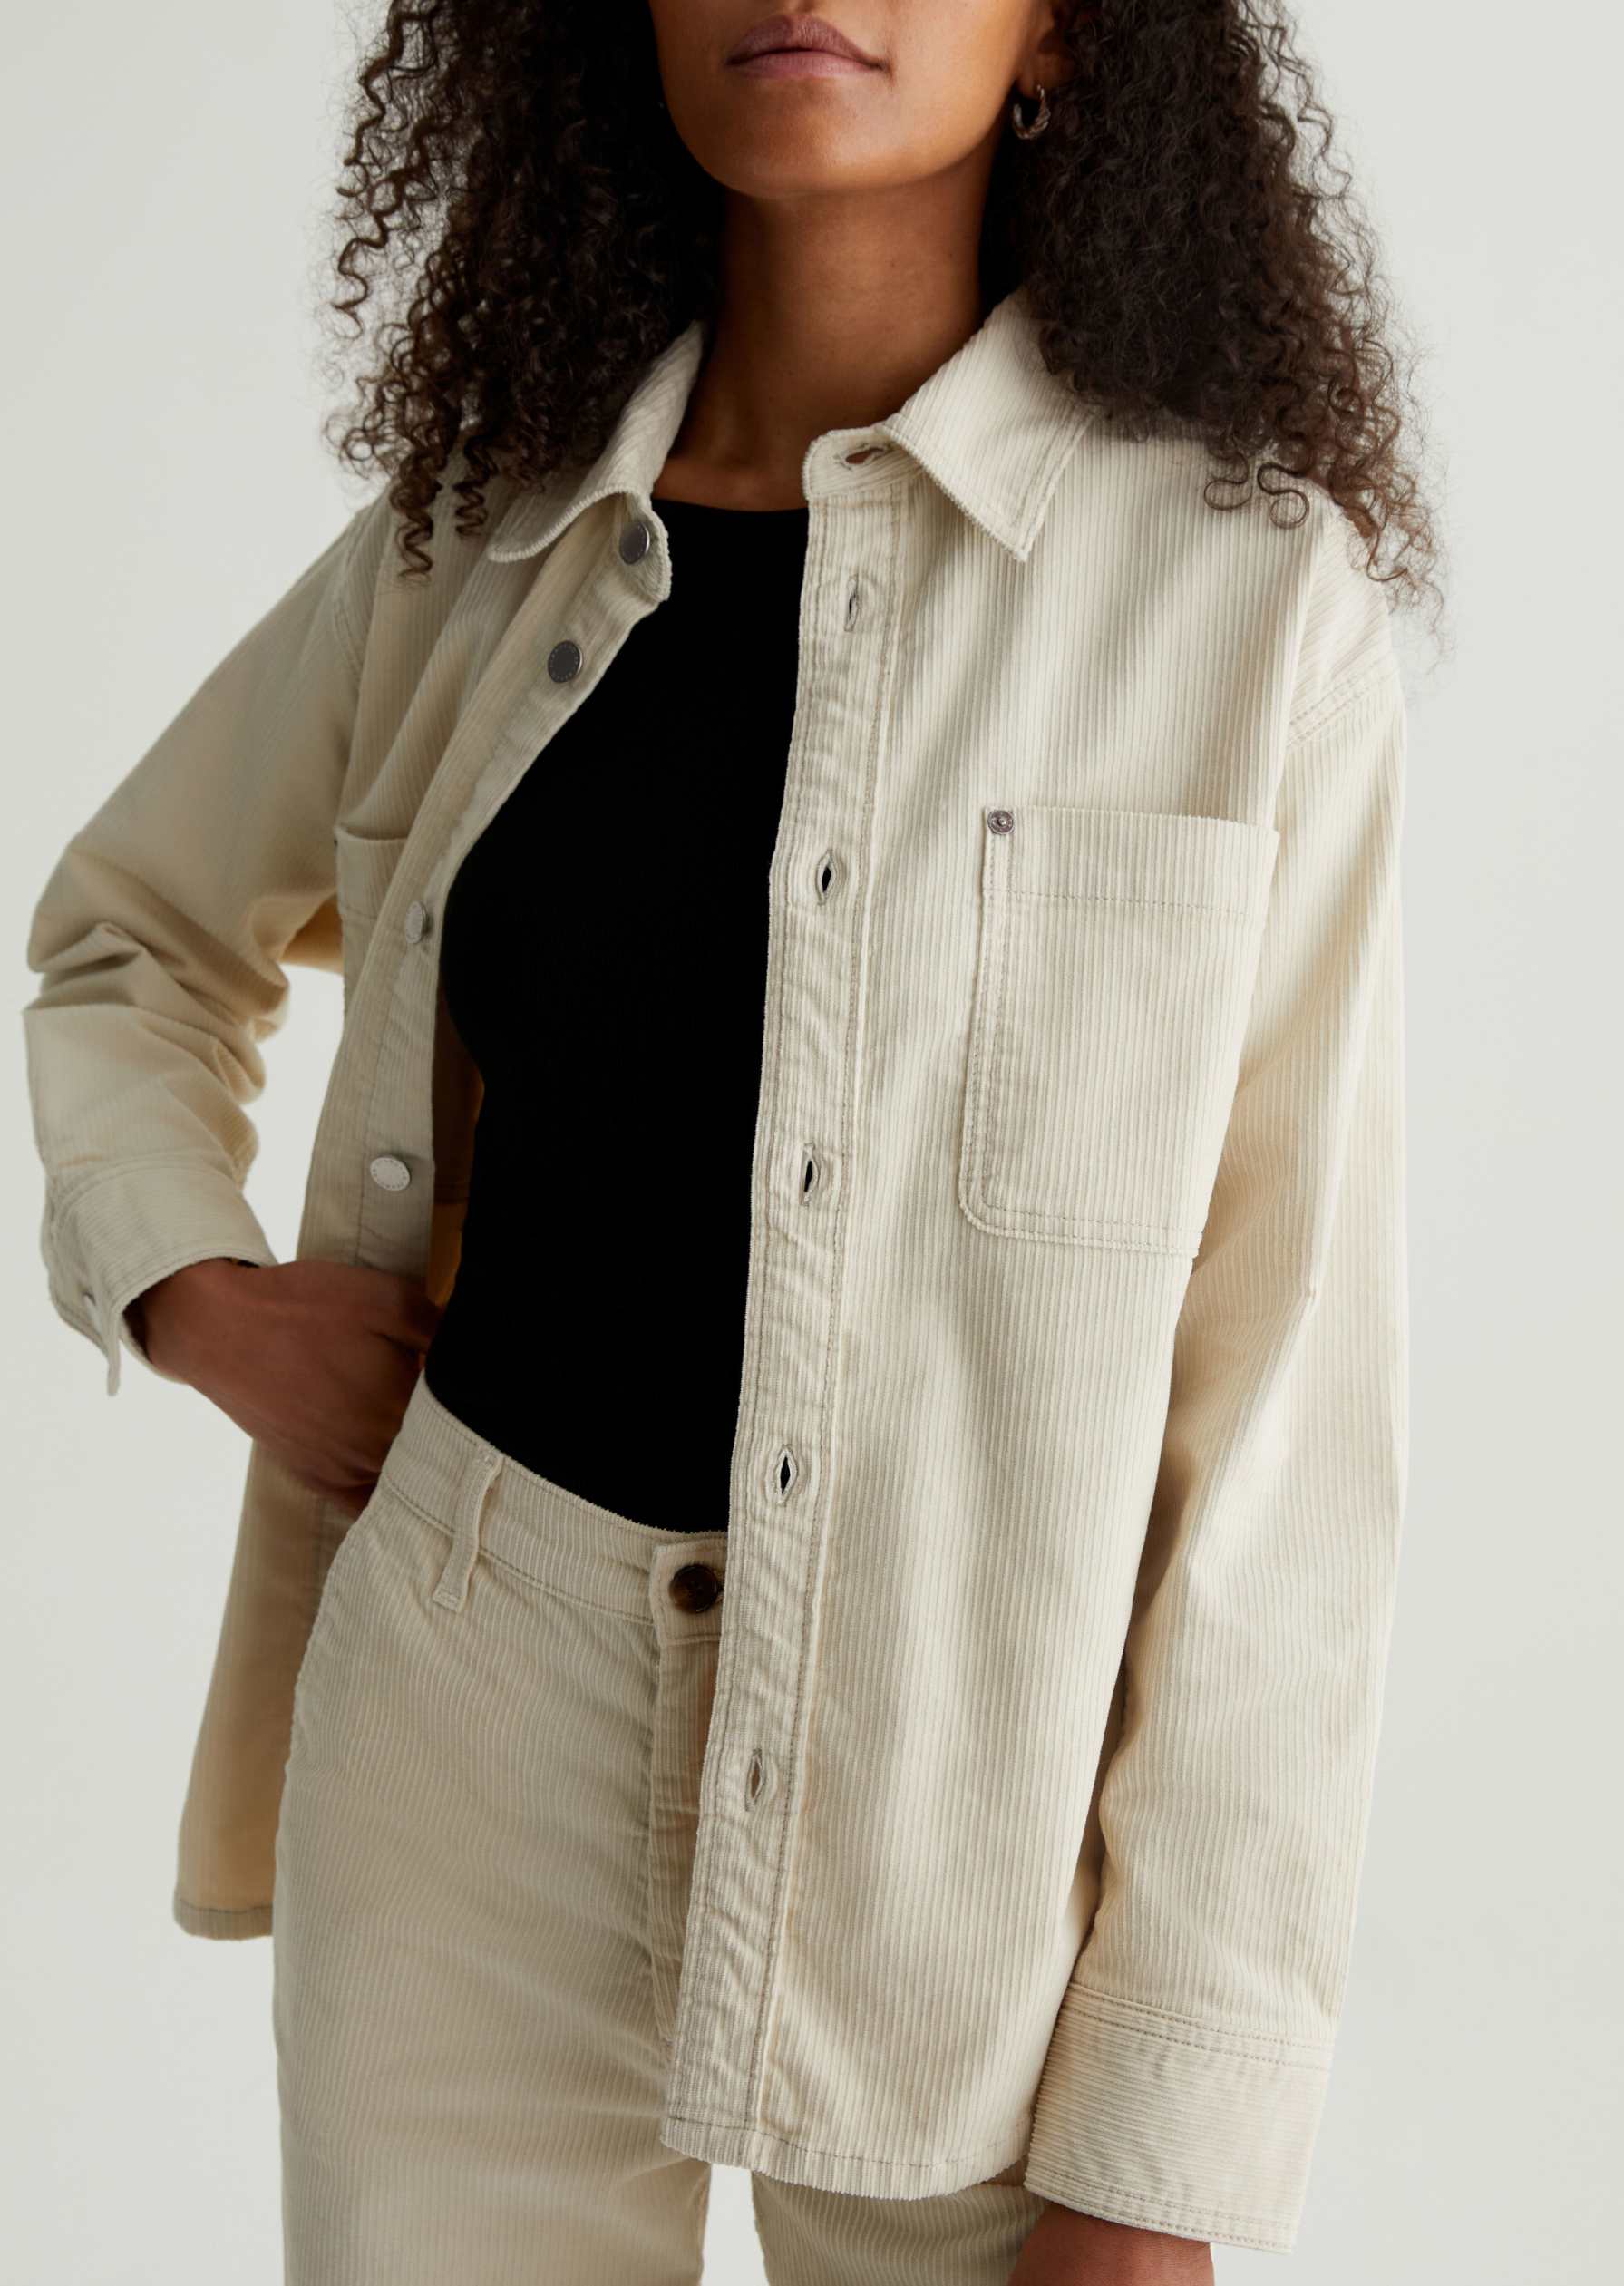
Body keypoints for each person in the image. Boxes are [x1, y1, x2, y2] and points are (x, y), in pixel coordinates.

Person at [22, 4, 1439, 2279]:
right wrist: (193, 1291)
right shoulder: (473, 549)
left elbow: (1285, 1436)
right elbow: (132, 939)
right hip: (468, 1720)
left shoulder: (1246, 603)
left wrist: (1162, 2146)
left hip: (962, 1828)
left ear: (1065, 33)